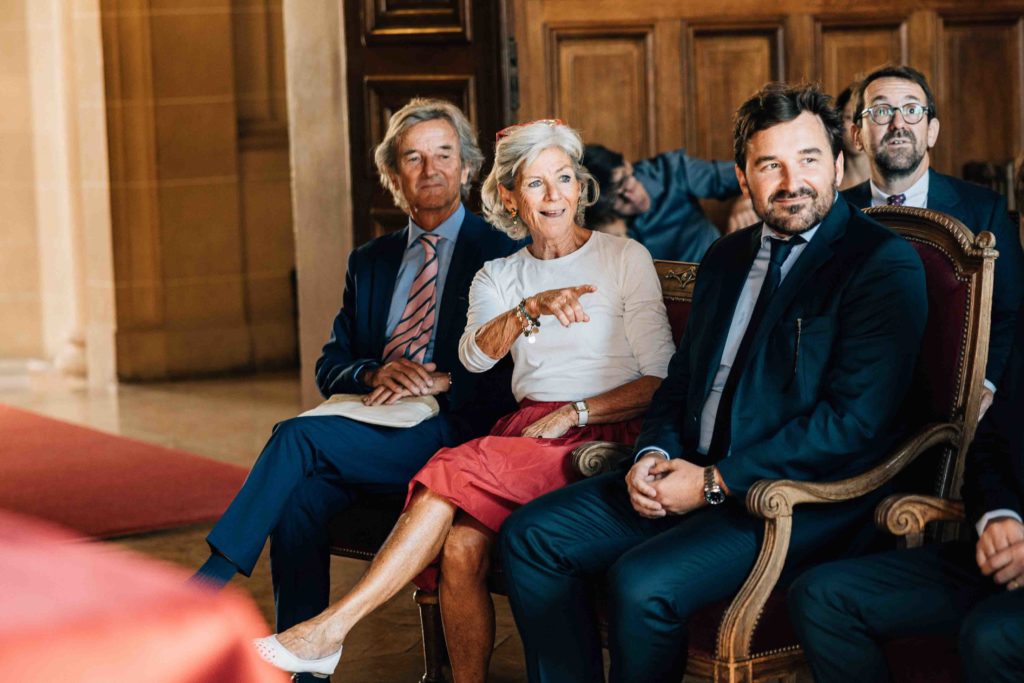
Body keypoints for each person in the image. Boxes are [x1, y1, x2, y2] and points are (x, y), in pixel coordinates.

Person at [499, 83, 929, 683]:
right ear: (742, 176)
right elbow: (681, 383)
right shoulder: (725, 259)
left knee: (641, 582)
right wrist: (653, 453)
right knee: (529, 536)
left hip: (787, 498)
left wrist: (716, 482)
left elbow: (852, 424)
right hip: (684, 471)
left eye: (808, 159)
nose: (791, 180)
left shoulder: (879, 263)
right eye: (769, 164)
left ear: (836, 164)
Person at [251, 120, 676, 681]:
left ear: (580, 187)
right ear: (509, 196)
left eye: (565, 178)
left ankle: (331, 629)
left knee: (446, 467)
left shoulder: (625, 258)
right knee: (459, 550)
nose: (554, 196)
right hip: (523, 437)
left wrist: (574, 413)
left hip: (603, 433)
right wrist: (531, 308)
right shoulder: (498, 275)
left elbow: (662, 378)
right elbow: (474, 357)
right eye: (535, 184)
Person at [189, 98, 520, 681]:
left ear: (467, 167)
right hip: (367, 419)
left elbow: (515, 370)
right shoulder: (371, 260)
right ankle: (306, 666)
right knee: (300, 496)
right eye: (413, 158)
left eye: (444, 154)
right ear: (395, 176)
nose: (431, 169)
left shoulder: (500, 255)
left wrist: (444, 378)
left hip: (445, 431)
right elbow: (331, 363)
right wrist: (372, 372)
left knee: (295, 440)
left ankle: (206, 585)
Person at [789, 301, 1024, 682]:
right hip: (992, 559)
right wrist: (999, 516)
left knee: (990, 636)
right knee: (822, 597)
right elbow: (992, 446)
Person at [842, 64, 1024, 417]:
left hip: (957, 402)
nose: (898, 124)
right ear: (857, 135)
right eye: (881, 111)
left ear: (931, 131)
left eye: (912, 110)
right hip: (856, 402)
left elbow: (1010, 309)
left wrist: (984, 384)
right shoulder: (835, 216)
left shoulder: (983, 210)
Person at [582, 143, 754, 262]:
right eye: (615, 199)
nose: (630, 197)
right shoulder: (602, 224)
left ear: (626, 165)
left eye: (625, 181)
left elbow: (750, 175)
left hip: (717, 275)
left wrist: (744, 201)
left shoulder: (672, 170)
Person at [835, 83, 870, 189]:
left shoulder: (891, 183)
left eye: (862, 117)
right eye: (849, 117)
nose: (856, 127)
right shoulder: (832, 183)